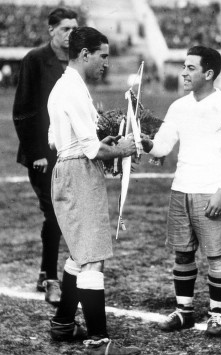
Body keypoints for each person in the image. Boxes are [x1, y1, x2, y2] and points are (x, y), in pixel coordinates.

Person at [141, 45, 221, 337]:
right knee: (183, 254)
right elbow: (163, 145)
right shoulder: (179, 107)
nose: (183, 73)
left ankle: (216, 315)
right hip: (181, 189)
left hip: (210, 191)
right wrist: (142, 142)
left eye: (191, 68)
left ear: (209, 73)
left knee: (215, 256)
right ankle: (184, 312)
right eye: (184, 67)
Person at [47, 27, 141, 354]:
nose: (106, 63)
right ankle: (98, 339)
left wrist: (100, 144)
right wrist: (126, 148)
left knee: (81, 252)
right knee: (93, 260)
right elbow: (92, 152)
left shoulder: (68, 86)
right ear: (84, 54)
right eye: (102, 56)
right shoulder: (71, 89)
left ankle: (62, 323)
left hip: (71, 169)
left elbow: (63, 141)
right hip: (78, 174)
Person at [12, 7, 79, 306]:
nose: (70, 34)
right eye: (65, 28)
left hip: (68, 151)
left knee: (58, 214)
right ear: (51, 30)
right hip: (42, 155)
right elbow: (23, 110)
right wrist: (36, 151)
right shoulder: (36, 60)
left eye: (74, 28)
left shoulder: (77, 60)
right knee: (54, 213)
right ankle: (52, 279)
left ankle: (43, 272)